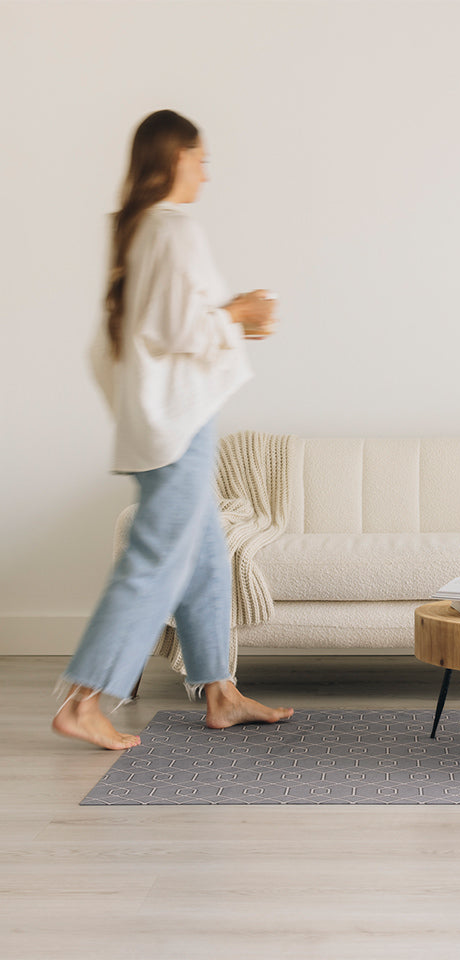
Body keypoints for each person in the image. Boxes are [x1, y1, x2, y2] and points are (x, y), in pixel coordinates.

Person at [53, 109, 294, 750]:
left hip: (164, 424)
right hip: (177, 428)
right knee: (156, 560)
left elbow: (123, 344)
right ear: (174, 159)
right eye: (201, 159)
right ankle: (85, 699)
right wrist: (237, 314)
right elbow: (175, 329)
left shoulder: (136, 232)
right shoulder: (172, 228)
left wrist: (226, 319)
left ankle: (220, 692)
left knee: (207, 553)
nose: (207, 175)